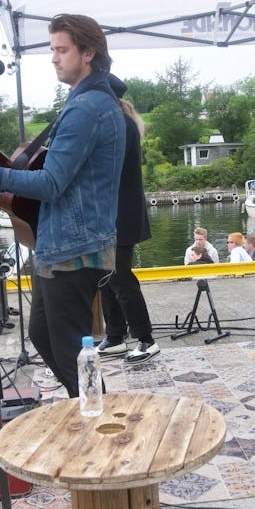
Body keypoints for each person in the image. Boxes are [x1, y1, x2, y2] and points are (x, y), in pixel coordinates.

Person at [0, 14, 126, 398]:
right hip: (64, 244)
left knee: (71, 349)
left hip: (73, 249)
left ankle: (97, 420)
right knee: (44, 335)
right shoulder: (91, 103)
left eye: (62, 50)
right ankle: (88, 407)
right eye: (52, 50)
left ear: (88, 53)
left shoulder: (86, 108)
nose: (54, 58)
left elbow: (52, 182)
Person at [97, 77, 160, 365]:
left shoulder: (119, 124)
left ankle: (146, 339)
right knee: (105, 277)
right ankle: (115, 337)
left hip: (121, 214)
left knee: (120, 278)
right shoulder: (119, 121)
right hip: (112, 214)